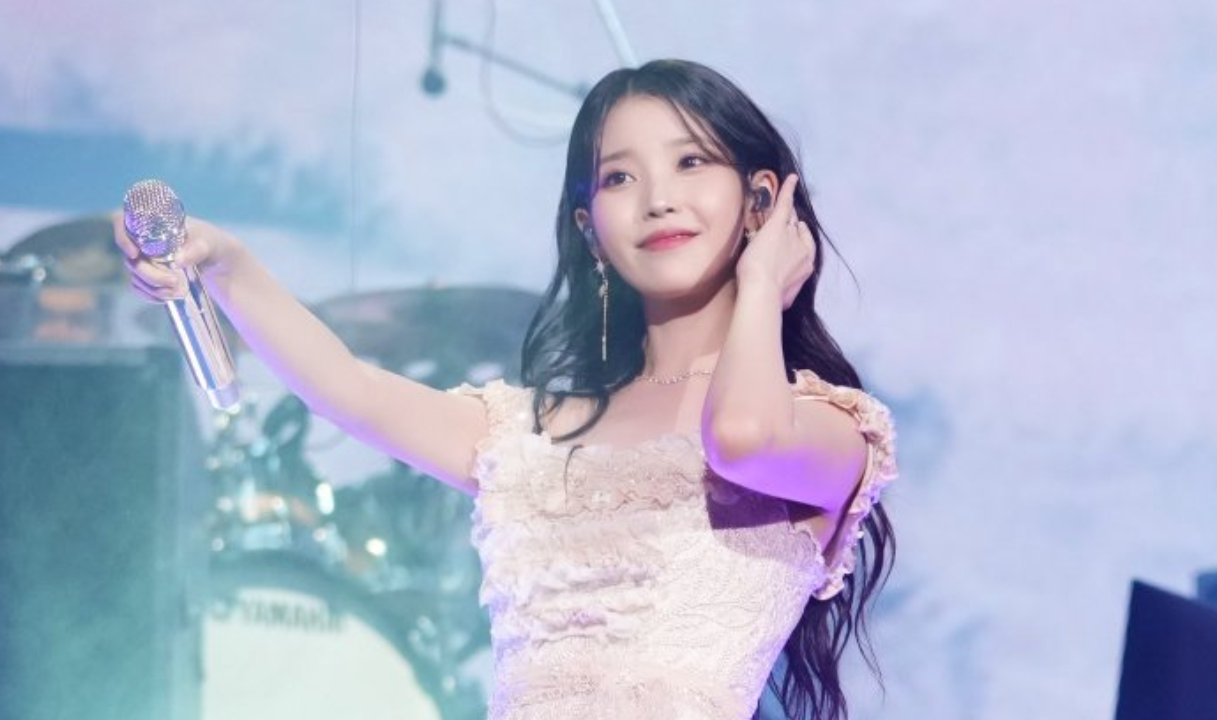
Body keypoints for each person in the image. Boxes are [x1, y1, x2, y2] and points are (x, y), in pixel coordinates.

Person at [116, 59, 897, 720]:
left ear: (761, 201)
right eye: (620, 177)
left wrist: (762, 287)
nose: (658, 198)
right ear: (590, 230)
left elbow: (744, 439)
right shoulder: (533, 433)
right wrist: (225, 264)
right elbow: (348, 389)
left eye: (691, 162)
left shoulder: (830, 430)